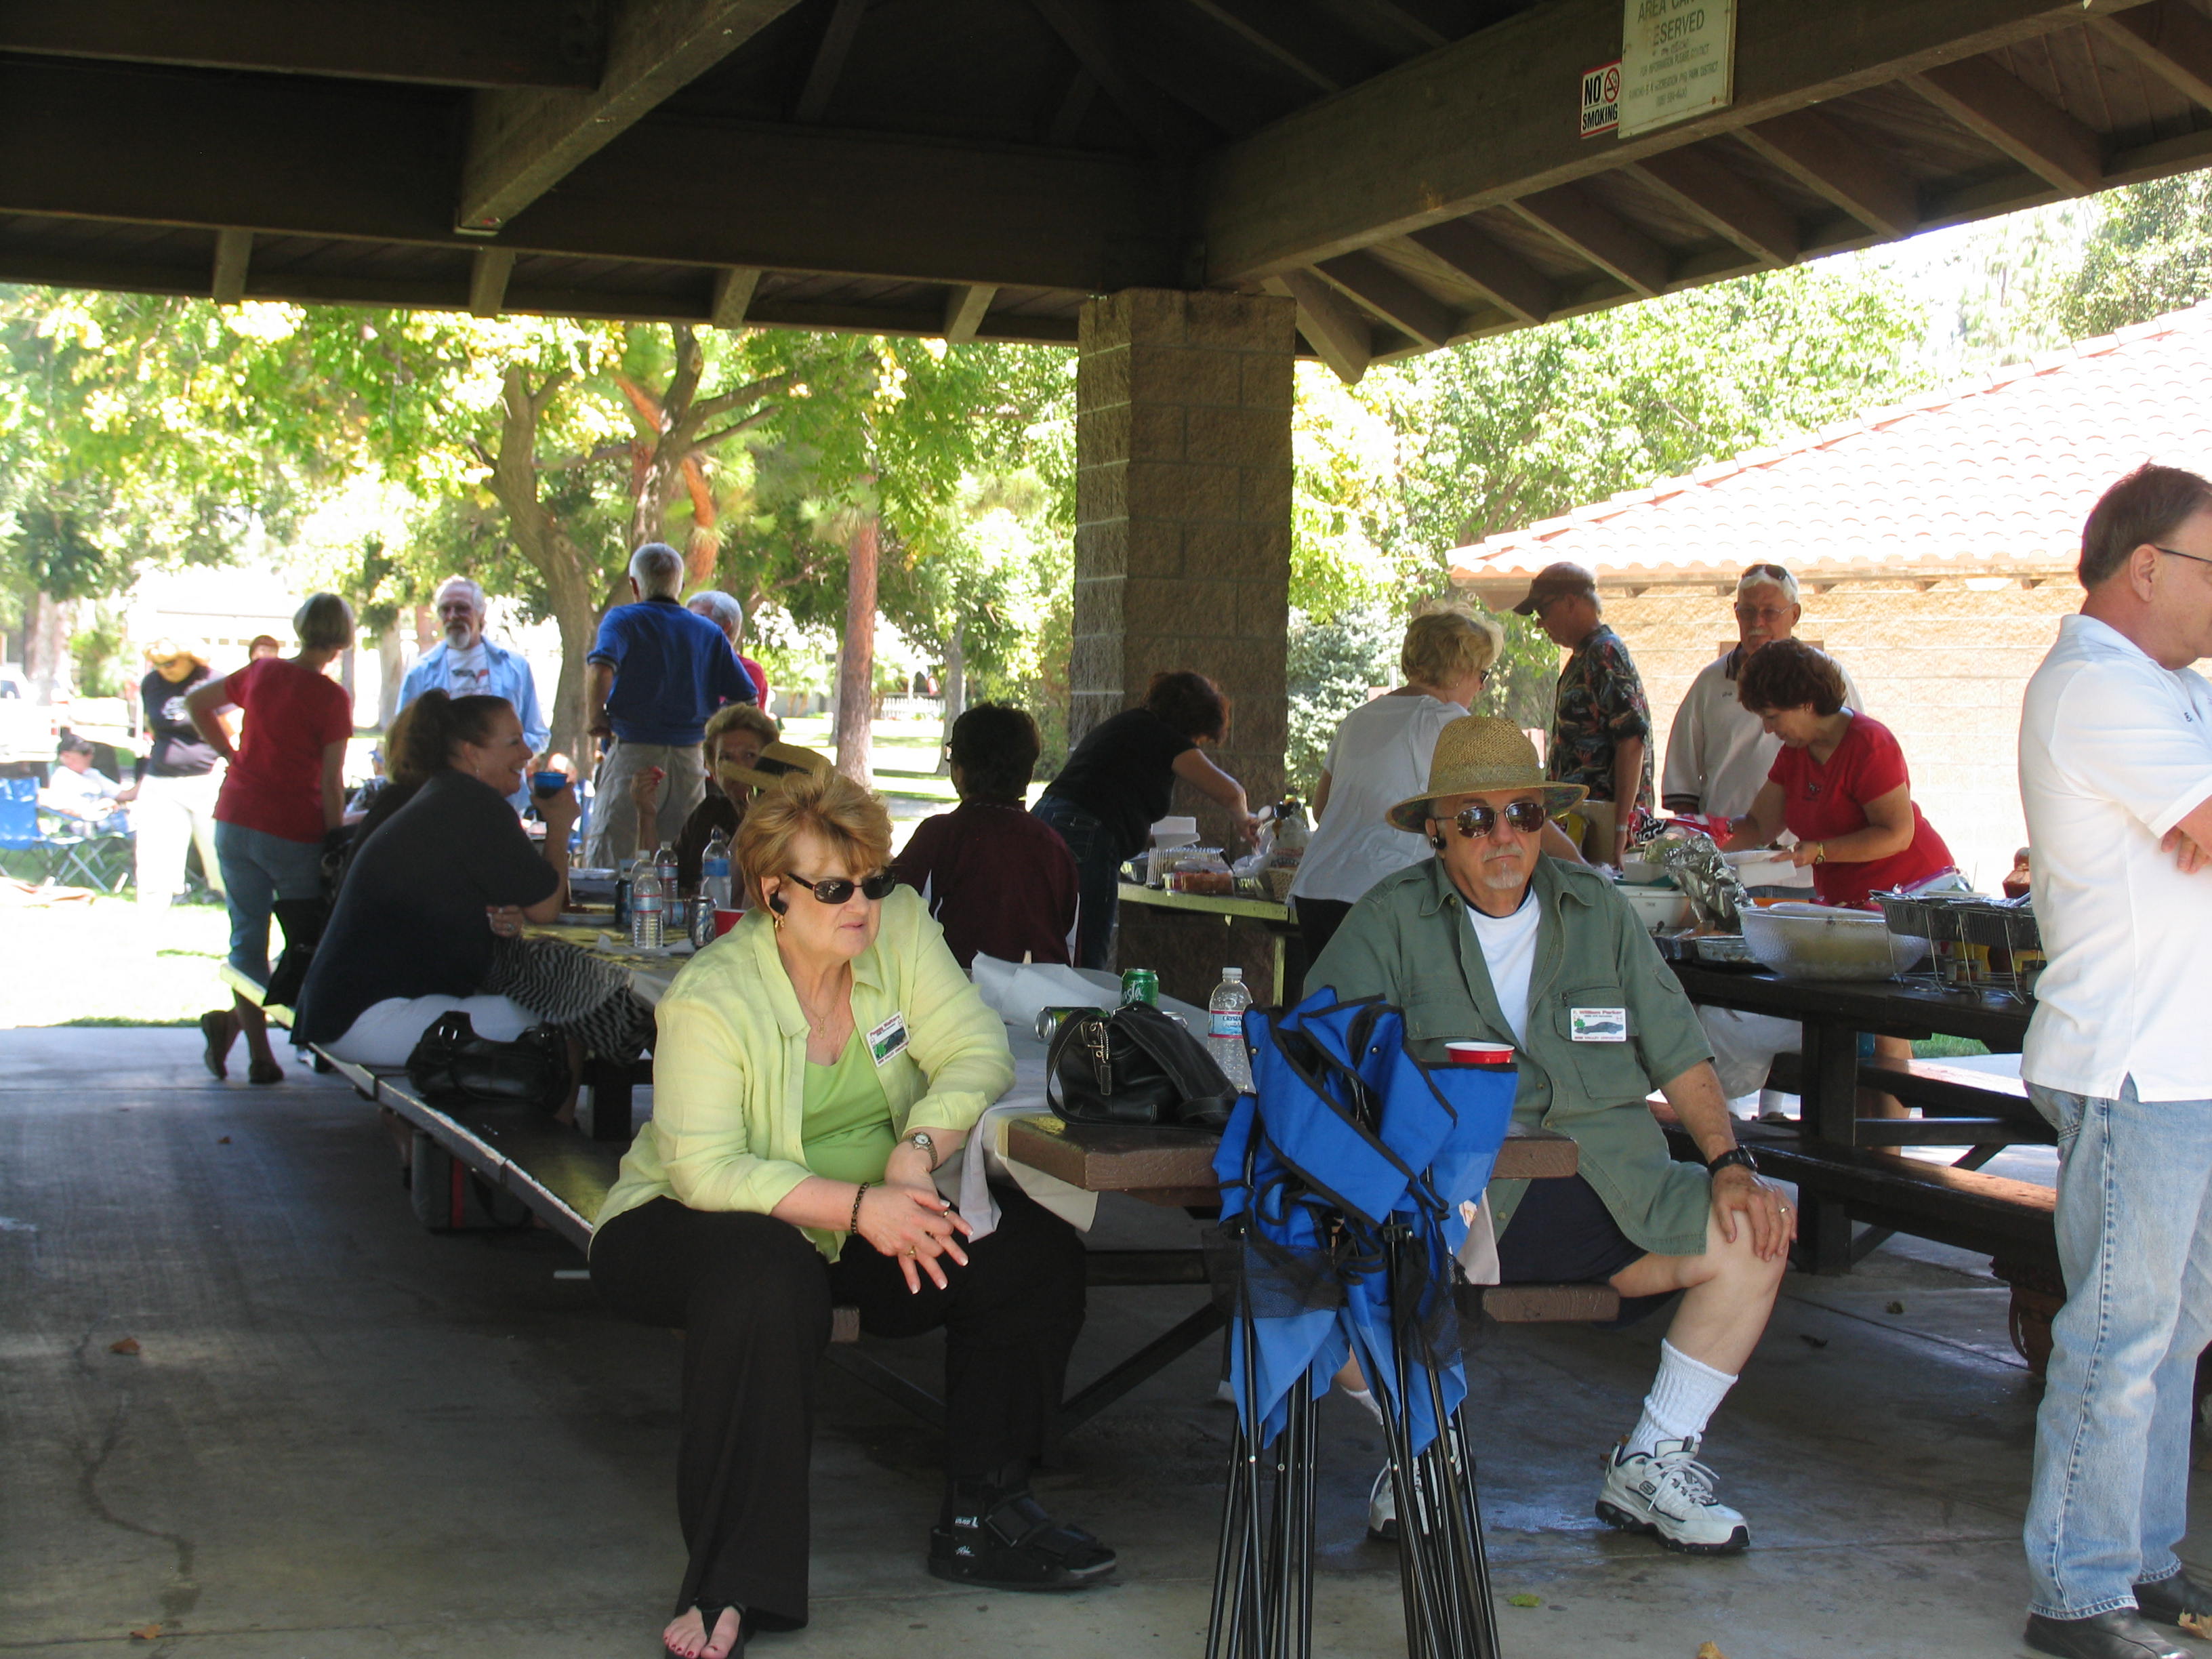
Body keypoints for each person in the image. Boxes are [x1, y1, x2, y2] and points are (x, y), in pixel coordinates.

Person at [590, 771, 1113, 1658]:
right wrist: (864, 1204)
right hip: (686, 1221)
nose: (862, 904)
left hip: (865, 1215)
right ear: (774, 895)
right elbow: (706, 1168)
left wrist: (920, 1149)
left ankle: (986, 1514)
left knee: (1031, 1252)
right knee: (766, 1276)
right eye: (834, 888)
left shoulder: (899, 929)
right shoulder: (714, 995)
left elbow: (975, 1050)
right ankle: (733, 1580)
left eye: (873, 879)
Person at [1308, 715, 1793, 1555]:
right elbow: (1321, 1050)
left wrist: (1730, 1162)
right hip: (1459, 1204)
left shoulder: (1597, 911)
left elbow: (1680, 1051)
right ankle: (1420, 1447)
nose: (1504, 837)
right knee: (1302, 1270)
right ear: (1436, 830)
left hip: (1615, 1190)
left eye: (1524, 814)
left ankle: (1653, 1461)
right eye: (1475, 818)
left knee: (1758, 1226)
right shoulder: (1391, 918)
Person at [2013, 463, 2212, 1659]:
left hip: (2181, 1059)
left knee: (2172, 1330)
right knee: (2118, 1334)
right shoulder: (2095, 684)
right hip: (2134, 1061)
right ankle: (2073, 1594)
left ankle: (2138, 1561)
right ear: (2146, 566)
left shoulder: (2167, 689)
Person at [296, 691, 651, 1084]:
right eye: (513, 742)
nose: (527, 752)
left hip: (341, 1008)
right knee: (566, 1018)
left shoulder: (445, 795)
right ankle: (546, 1141)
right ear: (472, 753)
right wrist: (560, 826)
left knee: (544, 1006)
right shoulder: (474, 805)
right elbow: (547, 908)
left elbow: (498, 898)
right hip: (367, 1017)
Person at [1290, 610, 1585, 964]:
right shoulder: (1446, 722)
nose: (1481, 686)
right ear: (1461, 669)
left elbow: (1323, 809)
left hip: (1318, 886)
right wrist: (1584, 868)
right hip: (1385, 891)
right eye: (1482, 674)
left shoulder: (1359, 718)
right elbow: (1513, 807)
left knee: (1336, 1013)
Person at [188, 594, 355, 1086]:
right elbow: (331, 781)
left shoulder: (262, 673)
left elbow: (198, 703)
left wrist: (229, 752)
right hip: (293, 827)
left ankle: (258, 1052)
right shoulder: (331, 698)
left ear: (301, 626)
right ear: (343, 637)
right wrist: (334, 837)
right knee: (308, 937)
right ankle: (275, 1036)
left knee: (247, 937)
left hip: (237, 816)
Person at [1031, 670, 1261, 969]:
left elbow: (1117, 794)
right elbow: (1231, 793)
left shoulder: (1132, 727)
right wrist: (1245, 821)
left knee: (1047, 940)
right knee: (1086, 951)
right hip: (1084, 833)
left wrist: (1145, 837)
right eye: (1198, 740)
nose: (1196, 747)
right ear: (1191, 723)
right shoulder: (1164, 736)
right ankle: (1082, 1013)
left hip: (1048, 822)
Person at [1723, 640, 1954, 911]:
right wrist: (1699, 836)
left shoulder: (1870, 744)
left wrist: (1820, 851)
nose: (1767, 729)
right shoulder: (1794, 752)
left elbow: (1897, 834)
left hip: (1914, 895)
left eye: (1772, 717)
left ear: (1805, 703)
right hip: (1854, 902)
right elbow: (1758, 825)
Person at [583, 544, 757, 869]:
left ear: (635, 585)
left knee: (613, 854)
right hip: (689, 762)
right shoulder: (707, 632)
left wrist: (597, 719)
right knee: (677, 860)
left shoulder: (623, 619)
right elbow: (746, 699)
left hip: (633, 757)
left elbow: (601, 666)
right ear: (679, 585)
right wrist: (713, 739)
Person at [1660, 563, 1868, 823]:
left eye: (1770, 612)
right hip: (1731, 844)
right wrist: (1702, 841)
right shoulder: (1710, 682)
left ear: (1794, 615)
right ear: (1736, 614)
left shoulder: (1827, 675)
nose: (1757, 622)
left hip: (1810, 848)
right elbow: (1682, 779)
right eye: (1747, 612)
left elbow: (1859, 757)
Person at [893, 703, 1079, 969]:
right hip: (1041, 1001)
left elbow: (892, 919)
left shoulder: (940, 837)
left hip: (955, 999)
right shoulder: (1055, 847)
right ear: (1029, 770)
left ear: (959, 769)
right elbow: (1070, 947)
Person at [396, 577, 549, 806]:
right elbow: (403, 742)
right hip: (440, 799)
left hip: (504, 800)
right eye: (445, 610)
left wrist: (500, 753)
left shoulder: (515, 668)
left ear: (481, 613)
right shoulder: (419, 673)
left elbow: (538, 734)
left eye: (462, 608)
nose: (453, 616)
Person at [624, 702, 782, 892]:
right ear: (713, 770)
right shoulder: (709, 812)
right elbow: (656, 885)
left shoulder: (783, 819)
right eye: (726, 758)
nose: (738, 768)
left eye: (749, 756)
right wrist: (647, 815)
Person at [131, 639, 225, 912]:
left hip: (208, 780)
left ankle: (243, 942)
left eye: (170, 663)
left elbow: (236, 731)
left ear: (190, 658)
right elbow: (155, 728)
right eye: (157, 664)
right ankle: (147, 939)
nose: (164, 670)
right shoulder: (151, 684)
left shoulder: (214, 681)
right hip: (161, 780)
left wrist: (225, 765)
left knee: (221, 860)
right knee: (153, 863)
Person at [685, 588, 773, 711]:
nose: (690, 626)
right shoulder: (685, 665)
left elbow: (738, 721)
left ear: (725, 626)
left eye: (700, 619)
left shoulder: (748, 671)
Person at [39, 735, 129, 825]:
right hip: (78, 833)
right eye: (85, 753)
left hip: (106, 830)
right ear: (66, 756)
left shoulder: (92, 774)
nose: (91, 757)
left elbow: (125, 795)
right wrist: (100, 805)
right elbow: (68, 810)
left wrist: (144, 775)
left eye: (92, 753)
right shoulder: (62, 777)